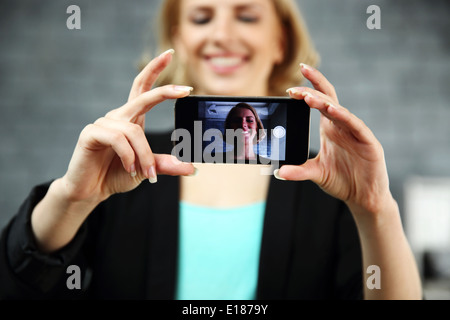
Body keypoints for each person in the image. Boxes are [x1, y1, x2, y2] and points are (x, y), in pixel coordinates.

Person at [0, 0, 422, 300]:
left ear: (280, 39)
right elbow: (18, 286)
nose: (221, 34)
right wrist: (72, 198)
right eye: (202, 17)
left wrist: (374, 207)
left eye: (247, 15)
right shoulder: (125, 164)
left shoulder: (326, 179)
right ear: (179, 41)